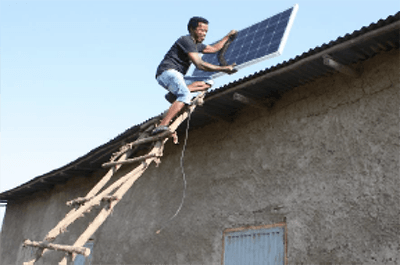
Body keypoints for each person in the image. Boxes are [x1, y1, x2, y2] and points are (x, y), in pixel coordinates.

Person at [152, 16, 238, 135]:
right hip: (167, 72)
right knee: (185, 95)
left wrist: (228, 36)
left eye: (206, 31)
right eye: (201, 30)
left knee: (208, 82)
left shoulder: (197, 45)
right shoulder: (186, 40)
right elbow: (199, 64)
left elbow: (214, 49)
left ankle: (173, 94)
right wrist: (223, 69)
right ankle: (162, 126)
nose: (204, 34)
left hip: (178, 76)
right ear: (192, 29)